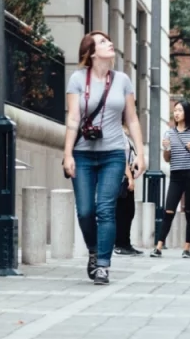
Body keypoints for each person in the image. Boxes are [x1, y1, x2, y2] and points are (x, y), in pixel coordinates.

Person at [62, 31, 146, 285]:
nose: (109, 43)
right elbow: (74, 118)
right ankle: (94, 250)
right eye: (102, 42)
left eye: (109, 40)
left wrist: (140, 154)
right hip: (83, 154)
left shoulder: (122, 80)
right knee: (86, 211)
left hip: (113, 154)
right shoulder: (77, 79)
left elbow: (131, 119)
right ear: (90, 52)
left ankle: (103, 265)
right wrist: (67, 154)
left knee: (105, 209)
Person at [150, 100, 190, 258]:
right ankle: (159, 246)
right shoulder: (169, 133)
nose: (176, 113)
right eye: (175, 110)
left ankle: (187, 247)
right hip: (176, 175)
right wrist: (166, 148)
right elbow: (167, 159)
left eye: (180, 110)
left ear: (187, 113)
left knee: (189, 211)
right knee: (168, 210)